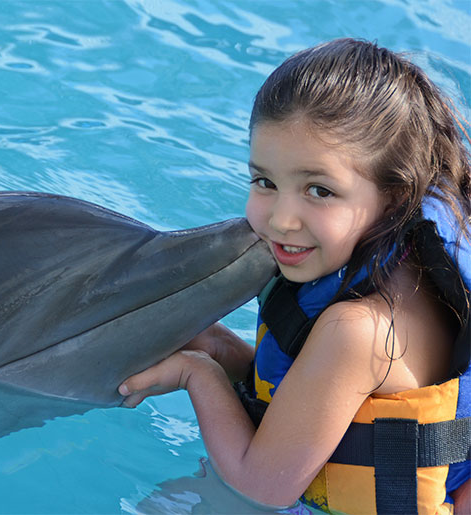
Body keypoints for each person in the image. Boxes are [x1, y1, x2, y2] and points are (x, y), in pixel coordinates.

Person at [118, 38, 471, 513]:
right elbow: (318, 397)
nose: (283, 219)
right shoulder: (401, 268)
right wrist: (223, 351)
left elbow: (259, 487)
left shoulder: (358, 329)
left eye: (319, 190)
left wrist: (196, 374)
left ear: (393, 194)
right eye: (265, 181)